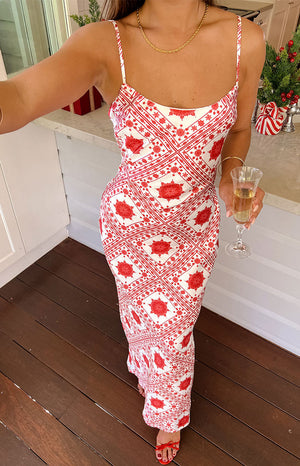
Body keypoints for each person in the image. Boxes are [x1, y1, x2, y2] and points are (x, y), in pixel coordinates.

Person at [0, 0, 265, 463]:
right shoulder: (106, 42)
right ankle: (168, 411)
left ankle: (159, 386)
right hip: (131, 224)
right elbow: (18, 99)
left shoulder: (247, 38)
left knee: (175, 327)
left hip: (195, 226)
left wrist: (231, 170)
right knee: (143, 317)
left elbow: (240, 128)